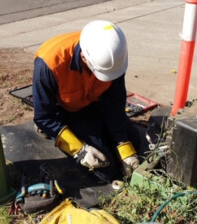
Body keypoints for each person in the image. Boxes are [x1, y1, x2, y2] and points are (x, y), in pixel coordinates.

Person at [32, 20, 143, 182]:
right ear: (83, 57)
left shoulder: (113, 57)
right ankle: (55, 133)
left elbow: (115, 101)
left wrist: (122, 142)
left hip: (94, 103)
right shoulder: (49, 65)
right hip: (65, 110)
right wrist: (80, 150)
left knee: (135, 143)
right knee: (104, 172)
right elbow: (44, 117)